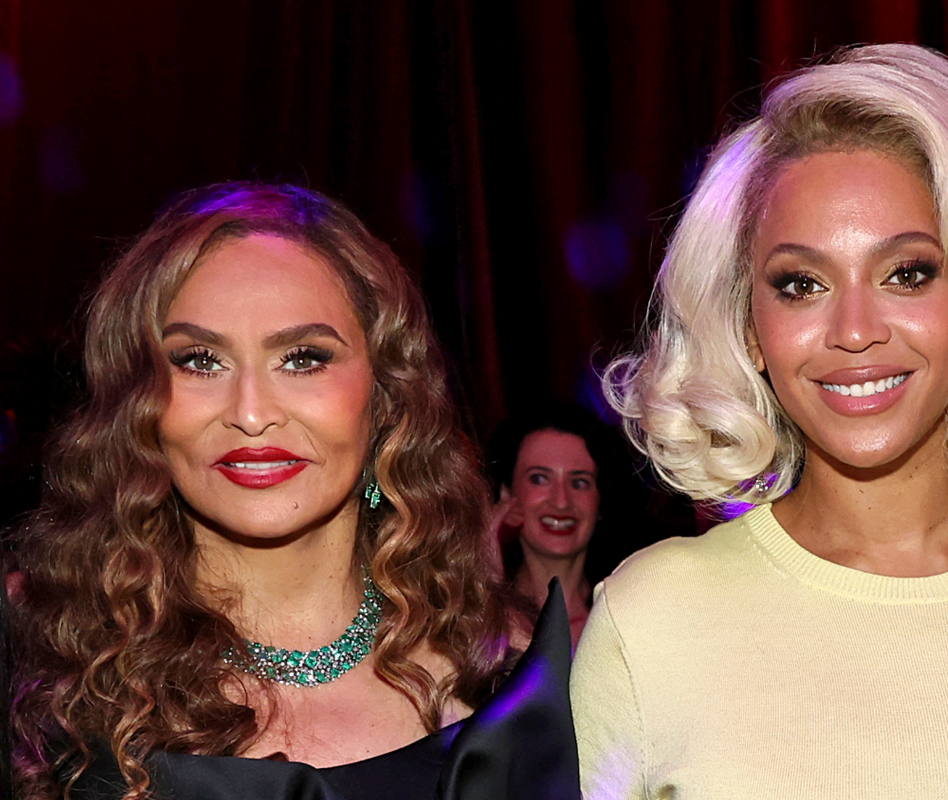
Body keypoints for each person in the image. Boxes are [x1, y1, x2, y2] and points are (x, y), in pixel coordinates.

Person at [571, 44, 948, 798]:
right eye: (801, 284)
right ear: (750, 328)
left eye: (907, 274)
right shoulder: (651, 619)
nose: (855, 331)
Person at [7, 183, 579, 800]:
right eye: (199, 360)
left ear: (385, 392)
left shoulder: (510, 674)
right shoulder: (50, 675)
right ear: (136, 403)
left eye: (303, 358)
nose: (251, 415)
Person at [488, 404, 613, 647]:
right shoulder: (476, 616)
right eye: (539, 479)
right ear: (507, 493)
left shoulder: (631, 611)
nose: (561, 502)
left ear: (600, 501)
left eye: (579, 483)